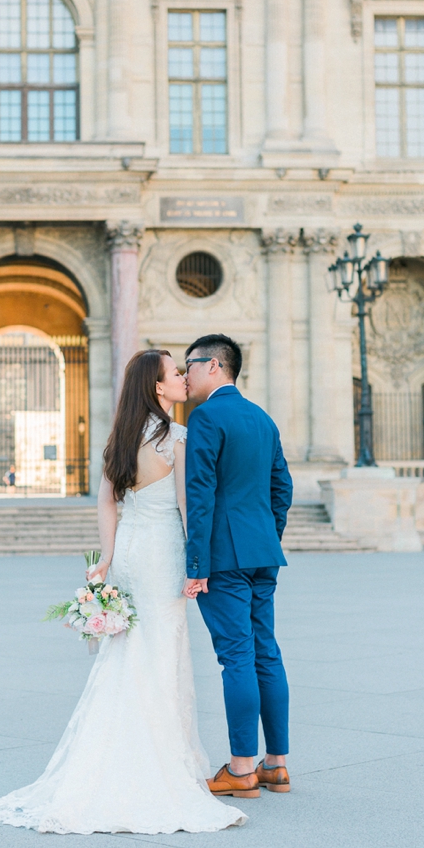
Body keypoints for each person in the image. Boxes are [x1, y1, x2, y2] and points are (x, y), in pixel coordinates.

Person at [0, 349, 246, 834]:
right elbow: (189, 508)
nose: (184, 379)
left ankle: (110, 754)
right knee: (163, 653)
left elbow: (107, 501)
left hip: (128, 554)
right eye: (174, 374)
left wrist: (105, 557)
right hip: (163, 553)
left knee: (126, 655)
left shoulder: (122, 439)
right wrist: (197, 565)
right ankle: (159, 762)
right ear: (157, 388)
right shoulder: (178, 438)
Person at [183, 334, 293, 800]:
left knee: (236, 657)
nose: (184, 374)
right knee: (266, 651)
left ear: (213, 367)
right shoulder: (263, 419)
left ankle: (242, 768)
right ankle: (276, 765)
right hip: (262, 552)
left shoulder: (207, 416)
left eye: (189, 365)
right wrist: (266, 538)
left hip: (223, 557)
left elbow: (201, 494)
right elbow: (281, 489)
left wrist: (196, 564)